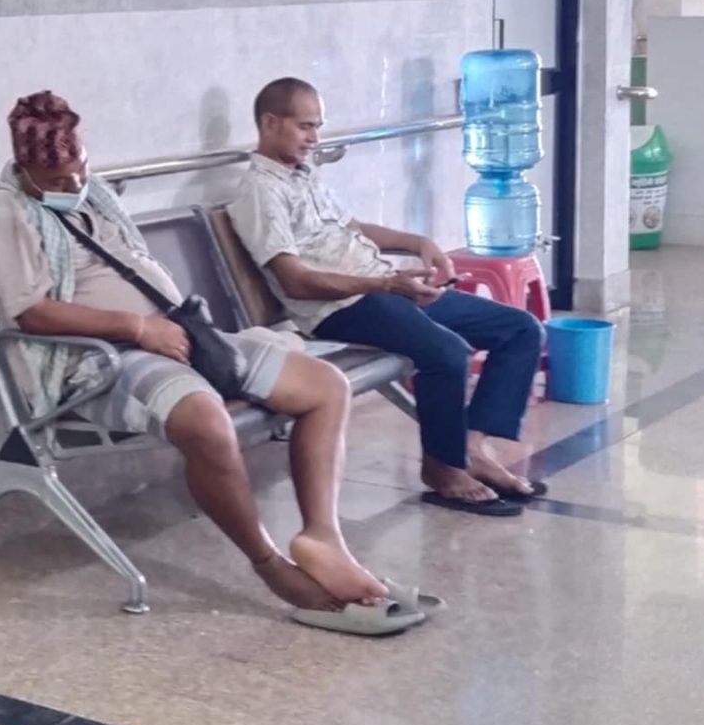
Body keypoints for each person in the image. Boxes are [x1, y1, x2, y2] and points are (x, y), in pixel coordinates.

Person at [0, 91, 418, 636]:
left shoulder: (92, 194)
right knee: (206, 420)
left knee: (325, 386)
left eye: (80, 168)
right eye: (58, 180)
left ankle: (324, 538)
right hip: (101, 361)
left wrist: (168, 329)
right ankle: (270, 565)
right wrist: (137, 328)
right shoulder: (4, 213)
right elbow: (32, 313)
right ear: (25, 170)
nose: (75, 183)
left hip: (180, 336)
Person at [230, 78, 545, 518]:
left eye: (317, 126)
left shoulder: (304, 175)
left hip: (383, 289)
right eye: (305, 127)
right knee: (446, 352)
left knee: (520, 329)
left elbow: (352, 228)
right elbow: (296, 281)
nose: (315, 138)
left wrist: (417, 243)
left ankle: (470, 447)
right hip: (339, 308)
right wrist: (386, 285)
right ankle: (442, 468)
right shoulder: (260, 191)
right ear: (269, 123)